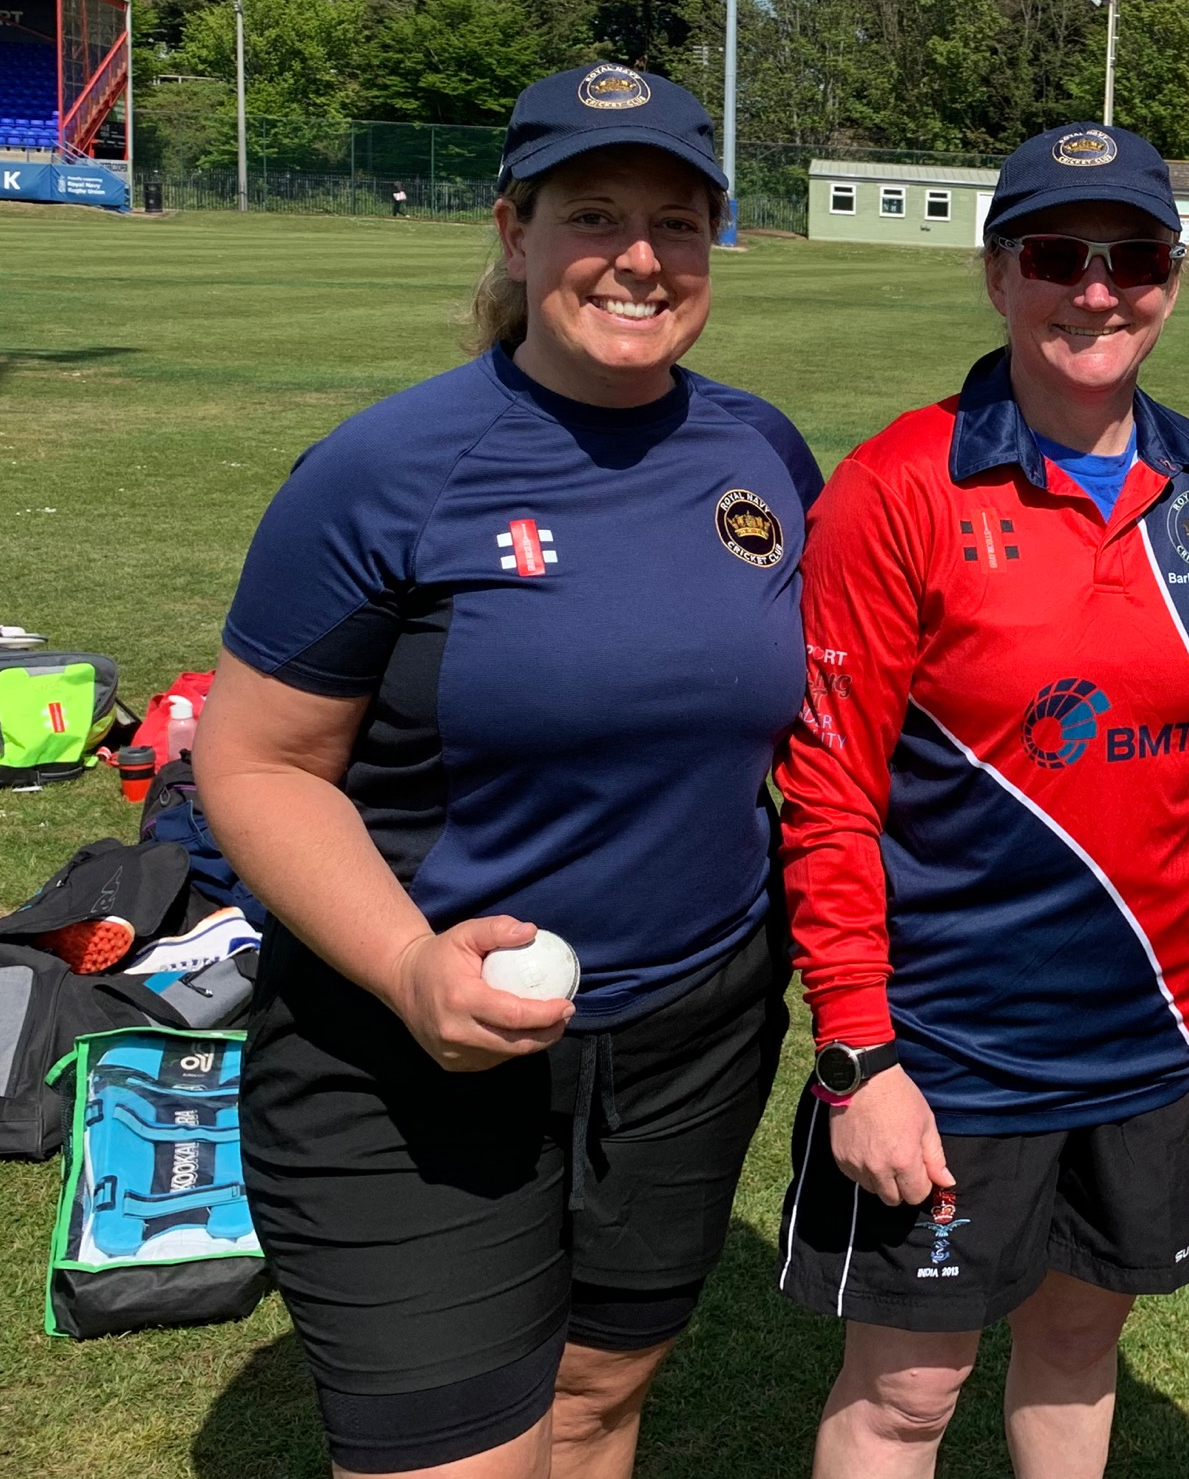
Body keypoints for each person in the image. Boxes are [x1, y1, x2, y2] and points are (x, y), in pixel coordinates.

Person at [196, 63, 821, 1479]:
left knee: (599, 1403)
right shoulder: (386, 471)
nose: (641, 256)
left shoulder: (761, 453)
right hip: (399, 1050)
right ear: (513, 230)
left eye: (678, 220)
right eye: (593, 212)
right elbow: (255, 761)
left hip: (694, 1032)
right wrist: (414, 969)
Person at [773, 123, 1189, 1479]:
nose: (1095, 289)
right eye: (1057, 254)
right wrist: (860, 1054)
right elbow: (826, 786)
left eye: (1134, 257)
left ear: (1174, 273)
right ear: (998, 275)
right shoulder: (896, 485)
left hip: (1148, 1040)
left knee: (1075, 1349)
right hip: (949, 1045)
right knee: (905, 1396)